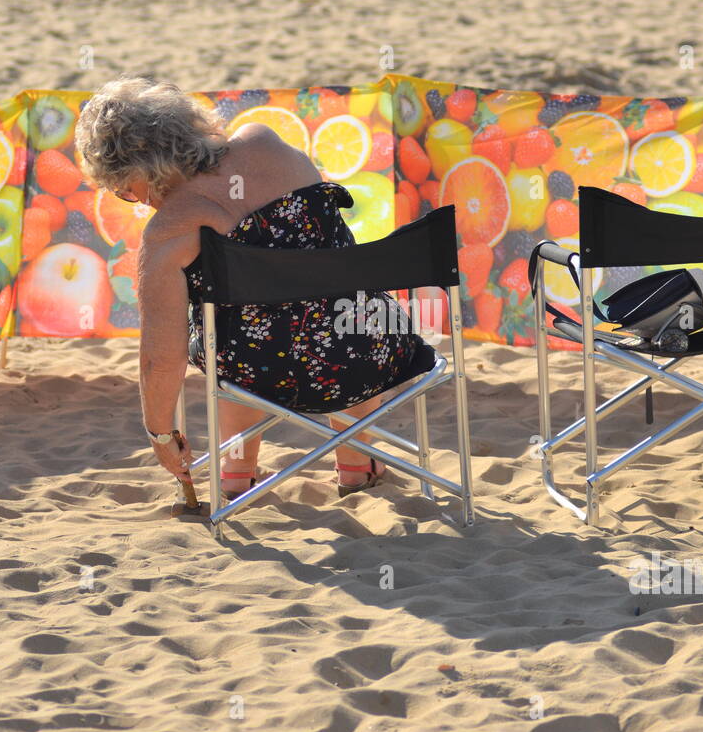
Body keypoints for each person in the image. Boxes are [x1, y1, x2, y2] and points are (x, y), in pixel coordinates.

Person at [73, 76, 435, 500]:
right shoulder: (265, 143)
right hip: (374, 355)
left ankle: (237, 470)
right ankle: (356, 461)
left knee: (226, 333)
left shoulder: (170, 229)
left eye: (125, 192)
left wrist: (159, 433)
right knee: (340, 309)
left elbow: (160, 357)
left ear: (141, 169)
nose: (132, 200)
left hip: (266, 379)